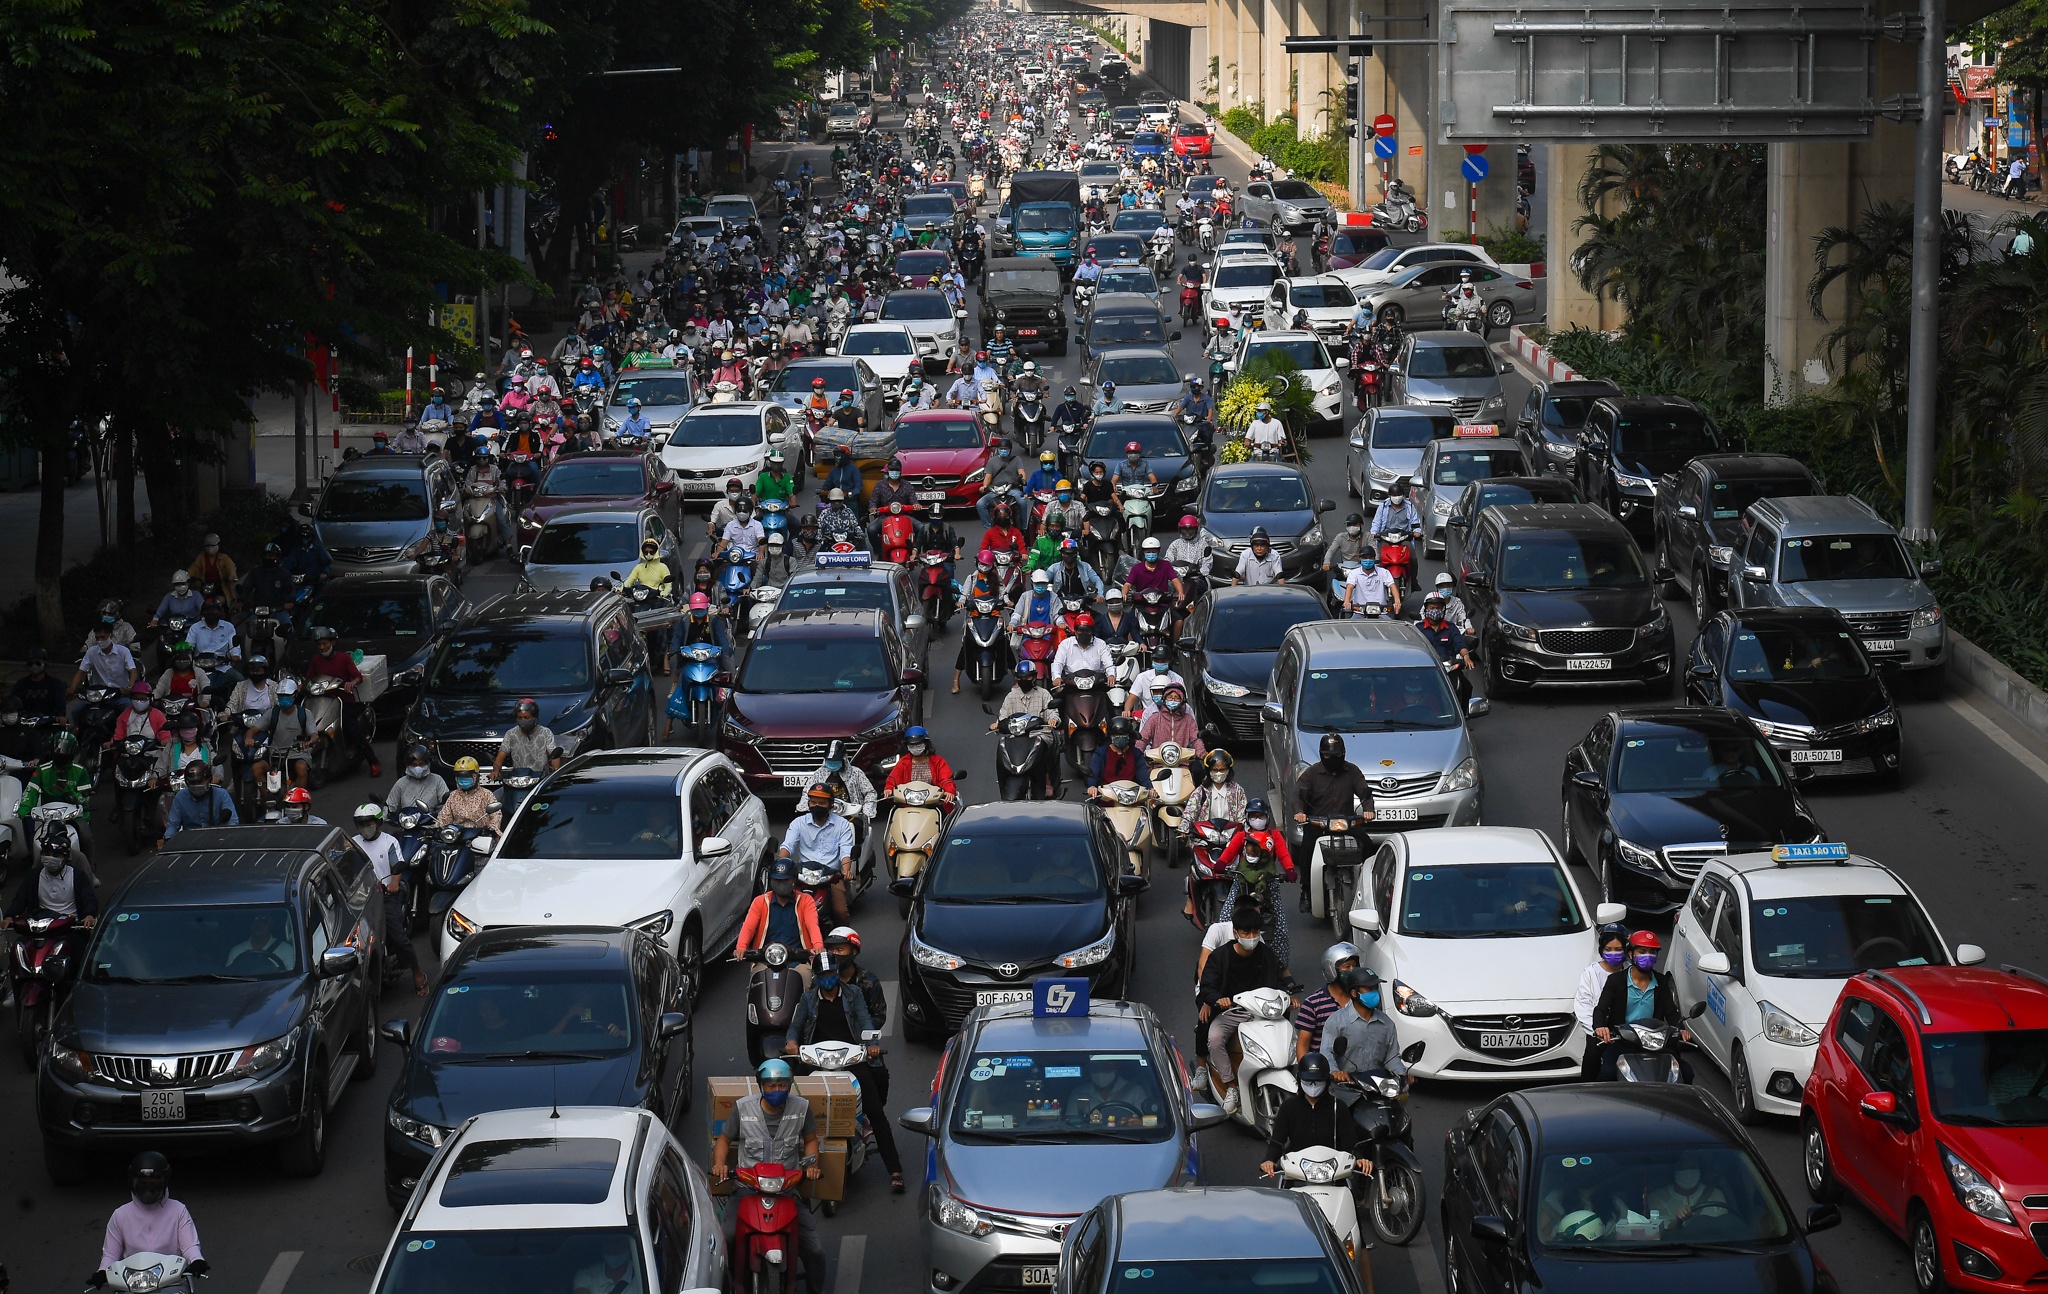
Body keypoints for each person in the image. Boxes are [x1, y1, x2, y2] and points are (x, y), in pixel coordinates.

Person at [784, 950, 904, 1192]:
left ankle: (895, 1169)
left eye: (831, 973)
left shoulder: (854, 993)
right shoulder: (808, 1000)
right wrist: (792, 1042)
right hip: (816, 1061)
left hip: (851, 1060)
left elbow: (865, 1021)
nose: (827, 978)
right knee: (791, 1106)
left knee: (877, 1113)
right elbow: (795, 1026)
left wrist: (871, 1045)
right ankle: (786, 1166)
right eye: (822, 974)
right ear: (816, 977)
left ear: (837, 974)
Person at [710, 1059, 829, 1294]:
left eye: (782, 1085)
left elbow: (811, 1140)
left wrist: (812, 1165)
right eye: (771, 1085)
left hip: (786, 1191)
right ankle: (732, 1283)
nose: (777, 1091)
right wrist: (720, 1164)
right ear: (761, 1086)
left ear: (790, 1085)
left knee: (814, 1249)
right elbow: (723, 1139)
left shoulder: (802, 1108)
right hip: (747, 1189)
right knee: (729, 1237)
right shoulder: (743, 1108)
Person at [1198, 905, 1301, 1112]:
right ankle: (1231, 1086)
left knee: (1292, 1038)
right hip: (1232, 1013)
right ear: (1236, 933)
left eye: (1255, 932)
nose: (1252, 937)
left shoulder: (1266, 954)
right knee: (1215, 1039)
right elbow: (1207, 987)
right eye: (1246, 932)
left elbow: (1280, 981)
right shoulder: (1219, 957)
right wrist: (1219, 1000)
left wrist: (1289, 996)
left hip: (1265, 1012)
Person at [1261, 1051, 1372, 1189]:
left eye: (1318, 1081)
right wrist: (1269, 1160)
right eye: (1308, 1081)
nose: (1313, 1086)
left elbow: (1349, 1143)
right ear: (1299, 1079)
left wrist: (1360, 1159)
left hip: (1334, 1175)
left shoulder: (1338, 1107)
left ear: (1326, 1081)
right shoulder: (1288, 1107)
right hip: (1297, 1175)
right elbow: (1277, 1141)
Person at [1592, 930, 1693, 1079]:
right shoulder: (1616, 981)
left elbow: (1671, 1012)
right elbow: (1601, 1009)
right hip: (1622, 1042)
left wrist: (1681, 1030)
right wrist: (1600, 1027)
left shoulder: (1661, 981)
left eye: (1652, 952)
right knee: (1607, 1074)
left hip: (1654, 1042)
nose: (1648, 956)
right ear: (1631, 954)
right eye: (1642, 951)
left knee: (1686, 1073)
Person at [1293, 734, 1377, 905]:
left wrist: (1368, 809)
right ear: (1321, 754)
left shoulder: (1352, 771)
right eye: (1327, 755)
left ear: (1344, 754)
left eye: (1336, 755)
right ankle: (1306, 889)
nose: (1332, 759)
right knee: (1307, 848)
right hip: (1318, 823)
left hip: (1345, 822)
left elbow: (1363, 790)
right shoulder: (1311, 773)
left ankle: (1371, 884)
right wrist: (1299, 812)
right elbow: (1298, 794)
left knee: (1367, 844)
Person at [354, 803, 427, 997]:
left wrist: (394, 883)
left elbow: (397, 868)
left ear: (377, 823)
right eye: (361, 824)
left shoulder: (389, 842)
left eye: (369, 823)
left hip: (385, 896)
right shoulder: (352, 843)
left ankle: (417, 972)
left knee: (399, 937)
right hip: (361, 899)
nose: (365, 827)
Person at [97, 1153, 206, 1278]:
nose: (147, 1186)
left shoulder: (179, 1210)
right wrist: (103, 1271)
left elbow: (189, 1246)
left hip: (173, 1279)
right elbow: (111, 1255)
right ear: (132, 1181)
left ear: (164, 1181)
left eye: (153, 1181)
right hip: (133, 1281)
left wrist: (197, 1259)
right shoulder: (120, 1215)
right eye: (142, 1181)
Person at [1217, 798, 1296, 959]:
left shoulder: (1274, 836)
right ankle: (1223, 956)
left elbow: (1283, 853)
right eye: (1254, 816)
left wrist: (1289, 870)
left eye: (1261, 816)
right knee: (1224, 918)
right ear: (1247, 817)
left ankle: (1280, 964)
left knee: (1280, 927)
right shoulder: (1241, 836)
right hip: (1243, 882)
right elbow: (1230, 851)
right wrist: (1221, 863)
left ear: (1267, 817)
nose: (1257, 820)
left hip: (1268, 882)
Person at [303, 626, 380, 776]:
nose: (322, 647)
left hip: (343, 700)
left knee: (352, 730)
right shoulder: (316, 660)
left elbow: (357, 676)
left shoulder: (344, 658)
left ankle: (373, 761)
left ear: (333, 642)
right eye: (319, 645)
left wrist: (351, 683)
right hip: (322, 700)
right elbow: (309, 678)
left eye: (325, 643)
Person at [1322, 966, 1407, 1101]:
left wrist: (1402, 1074)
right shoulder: (1336, 1021)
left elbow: (1392, 1058)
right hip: (1345, 1091)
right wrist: (1335, 1072)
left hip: (1378, 1090)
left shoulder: (1387, 1024)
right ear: (1354, 993)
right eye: (1369, 988)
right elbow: (1326, 1054)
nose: (1375, 993)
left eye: (1375, 988)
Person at [780, 784, 858, 925]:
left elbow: (846, 850)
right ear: (808, 803)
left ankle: (842, 941)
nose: (817, 806)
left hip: (831, 877)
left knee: (841, 911)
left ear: (830, 804)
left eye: (822, 803)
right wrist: (781, 863)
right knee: (781, 907)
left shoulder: (842, 825)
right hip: (803, 876)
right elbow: (788, 846)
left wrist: (846, 870)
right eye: (814, 802)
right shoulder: (798, 823)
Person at [20, 731, 95, 861]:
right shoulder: (42, 770)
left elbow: (85, 799)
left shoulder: (80, 771)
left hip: (75, 816)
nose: (61, 756)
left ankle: (90, 870)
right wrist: (24, 808)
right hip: (48, 816)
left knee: (86, 837)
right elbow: (30, 791)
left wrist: (70, 792)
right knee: (35, 840)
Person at [991, 662, 1061, 797]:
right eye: (1021, 678)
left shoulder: (1043, 694)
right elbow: (1003, 717)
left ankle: (1046, 780)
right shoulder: (1011, 697)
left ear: (1034, 677)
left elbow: (1053, 713)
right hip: (1016, 737)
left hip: (1039, 734)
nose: (1024, 681)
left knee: (1043, 744)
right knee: (1002, 745)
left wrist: (1053, 720)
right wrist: (997, 725)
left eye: (1028, 677)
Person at [1576, 924, 1631, 1080]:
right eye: (1608, 949)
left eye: (1618, 949)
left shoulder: (1631, 972)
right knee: (1592, 1056)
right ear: (1601, 950)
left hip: (1626, 1030)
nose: (1613, 953)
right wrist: (1598, 1029)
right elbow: (1583, 1005)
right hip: (1598, 1031)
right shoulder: (1590, 973)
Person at [1296, 943, 1361, 1060]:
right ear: (1332, 971)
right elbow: (1303, 1044)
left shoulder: (1361, 998)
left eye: (1354, 966)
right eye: (1347, 967)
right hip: (1323, 1068)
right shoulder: (1313, 1003)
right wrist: (1306, 1071)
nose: (1352, 971)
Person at [1417, 593, 1478, 704]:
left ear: (1443, 609)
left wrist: (1466, 656)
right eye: (1432, 608)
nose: (1435, 610)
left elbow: (1459, 643)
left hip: (1448, 668)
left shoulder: (1451, 627)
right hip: (1426, 668)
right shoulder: (1418, 628)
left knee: (1466, 687)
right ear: (1426, 609)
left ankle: (1464, 714)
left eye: (1438, 608)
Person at [159, 761, 239, 844]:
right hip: (190, 843)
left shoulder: (221, 795)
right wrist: (167, 840)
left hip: (217, 841)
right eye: (193, 783)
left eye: (200, 782)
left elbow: (232, 823)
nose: (196, 786)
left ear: (208, 780)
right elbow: (173, 825)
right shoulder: (180, 797)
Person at [492, 698, 562, 778]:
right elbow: (501, 755)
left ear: (534, 717)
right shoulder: (511, 734)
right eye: (519, 718)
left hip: (540, 777)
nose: (523, 721)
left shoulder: (545, 733)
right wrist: (496, 771)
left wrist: (555, 773)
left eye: (526, 717)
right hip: (519, 778)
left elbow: (554, 755)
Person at [1137, 682, 1203, 757]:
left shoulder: (1188, 720)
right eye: (1170, 697)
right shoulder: (1155, 718)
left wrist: (1202, 754)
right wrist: (1137, 754)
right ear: (1164, 699)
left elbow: (1196, 739)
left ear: (1182, 701)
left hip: (1182, 763)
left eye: (1177, 698)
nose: (1173, 700)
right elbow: (1143, 739)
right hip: (1157, 763)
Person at [440, 757, 503, 833]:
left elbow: (496, 815)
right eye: (460, 776)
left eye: (467, 776)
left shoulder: (486, 795)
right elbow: (444, 817)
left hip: (482, 835)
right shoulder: (453, 796)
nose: (464, 779)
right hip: (458, 836)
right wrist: (440, 827)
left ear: (476, 776)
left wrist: (491, 829)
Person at [1085, 715, 1143, 797]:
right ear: (1110, 736)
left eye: (1124, 734)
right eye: (1117, 735)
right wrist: (1092, 787)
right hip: (1106, 799)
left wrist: (1150, 789)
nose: (1120, 737)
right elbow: (1093, 774)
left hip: (1131, 797)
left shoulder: (1136, 754)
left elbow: (1143, 775)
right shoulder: (1100, 754)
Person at [1049, 611, 1112, 686]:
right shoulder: (1065, 644)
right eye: (1080, 630)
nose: (1083, 633)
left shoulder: (1101, 644)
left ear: (1092, 631)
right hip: (1072, 685)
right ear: (1075, 631)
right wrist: (1056, 677)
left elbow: (1109, 664)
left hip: (1096, 685)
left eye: (1087, 630)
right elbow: (1058, 663)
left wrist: (1111, 675)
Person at [386, 744, 450, 815]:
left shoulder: (437, 780)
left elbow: (447, 803)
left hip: (431, 822)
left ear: (427, 764)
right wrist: (387, 814)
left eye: (421, 764)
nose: (417, 767)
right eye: (414, 765)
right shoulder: (401, 783)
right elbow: (390, 804)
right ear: (408, 765)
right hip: (407, 821)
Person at [187, 534, 239, 610]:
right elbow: (194, 568)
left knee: (221, 602)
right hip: (204, 586)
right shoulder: (201, 557)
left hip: (221, 586)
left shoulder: (224, 558)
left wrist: (231, 576)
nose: (210, 548)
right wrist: (186, 577)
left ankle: (225, 616)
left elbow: (231, 568)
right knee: (198, 603)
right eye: (208, 546)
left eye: (213, 545)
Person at [1341, 551, 1399, 618]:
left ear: (1374, 558)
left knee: (1390, 628)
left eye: (1370, 557)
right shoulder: (1354, 573)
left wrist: (1397, 601)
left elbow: (1392, 586)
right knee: (1350, 628)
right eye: (1365, 558)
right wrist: (1347, 601)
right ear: (1360, 559)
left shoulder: (1384, 572)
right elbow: (1350, 587)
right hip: (1360, 612)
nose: (1368, 560)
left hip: (1381, 612)